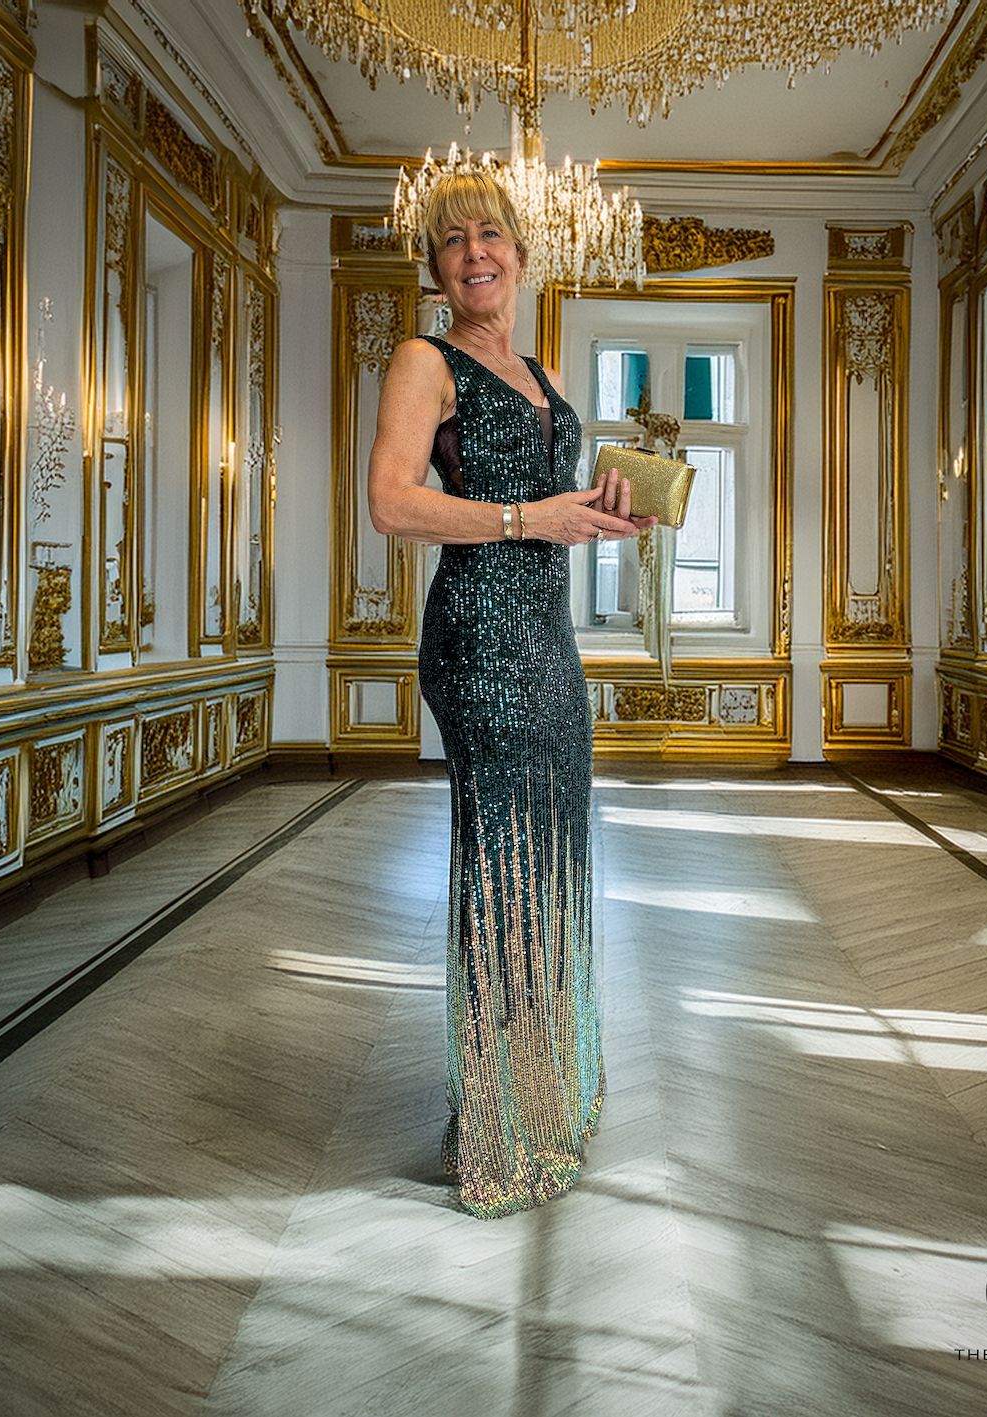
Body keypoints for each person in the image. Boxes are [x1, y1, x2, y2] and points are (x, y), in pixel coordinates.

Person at [367, 170, 657, 1218]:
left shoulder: (541, 372)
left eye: (491, 234)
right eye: (453, 241)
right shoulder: (424, 359)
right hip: (480, 642)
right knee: (505, 867)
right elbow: (390, 503)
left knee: (553, 857)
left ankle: (548, 1085)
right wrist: (534, 519)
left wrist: (607, 510)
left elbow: (551, 509)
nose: (474, 253)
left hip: (548, 640)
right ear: (436, 267)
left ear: (523, 255)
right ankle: (501, 1126)